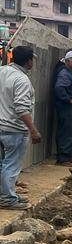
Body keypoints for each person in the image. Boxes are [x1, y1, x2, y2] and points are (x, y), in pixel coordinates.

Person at [0, 45, 42, 209]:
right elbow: (21, 109)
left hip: (2, 126)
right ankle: (8, 200)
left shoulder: (2, 71)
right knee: (11, 165)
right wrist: (33, 130)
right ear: (29, 61)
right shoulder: (22, 80)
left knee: (3, 164)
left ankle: (7, 194)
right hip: (14, 129)